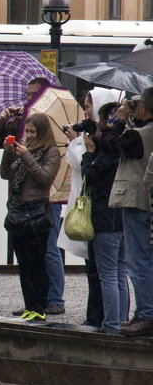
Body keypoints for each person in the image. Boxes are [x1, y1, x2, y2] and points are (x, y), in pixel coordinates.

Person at [1, 113, 61, 322]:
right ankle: (29, 305)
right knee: (24, 263)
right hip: (18, 209)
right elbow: (4, 174)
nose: (29, 135)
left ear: (42, 132)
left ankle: (39, 307)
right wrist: (8, 153)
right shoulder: (24, 150)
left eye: (33, 132)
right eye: (27, 131)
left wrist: (26, 156)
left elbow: (45, 178)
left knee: (37, 261)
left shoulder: (52, 152)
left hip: (36, 211)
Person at [84, 101, 130, 332]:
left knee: (108, 276)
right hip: (122, 217)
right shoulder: (123, 146)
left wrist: (89, 154)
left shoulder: (107, 152)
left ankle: (111, 323)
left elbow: (90, 176)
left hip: (105, 219)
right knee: (120, 274)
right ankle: (122, 321)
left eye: (102, 122)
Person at [111, 88, 153, 336]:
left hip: (137, 201)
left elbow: (112, 145)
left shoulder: (140, 135)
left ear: (144, 108)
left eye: (136, 105)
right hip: (145, 201)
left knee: (138, 259)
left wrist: (120, 119)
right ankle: (144, 312)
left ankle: (146, 313)